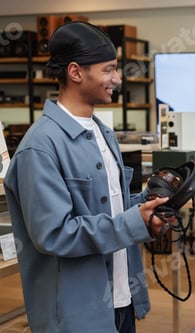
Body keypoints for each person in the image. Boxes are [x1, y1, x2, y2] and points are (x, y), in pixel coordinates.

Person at [3, 21, 169, 333]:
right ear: (76, 72)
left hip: (120, 302)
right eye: (109, 69)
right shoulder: (40, 147)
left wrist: (146, 206)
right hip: (75, 318)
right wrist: (133, 222)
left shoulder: (103, 133)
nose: (117, 79)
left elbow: (104, 210)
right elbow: (54, 233)